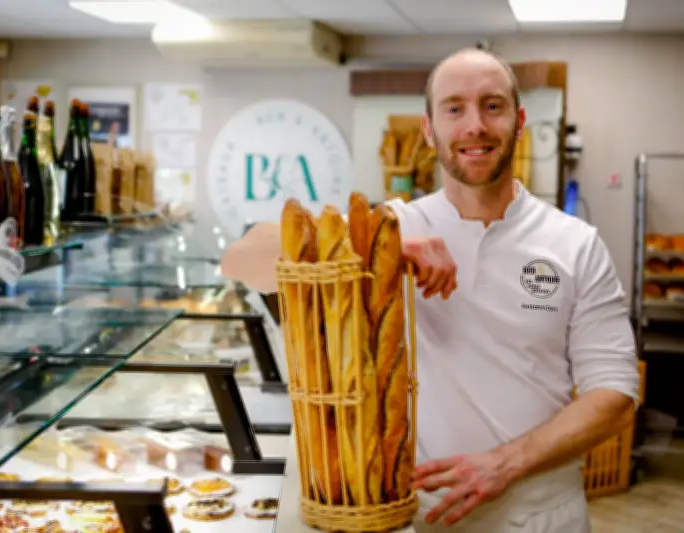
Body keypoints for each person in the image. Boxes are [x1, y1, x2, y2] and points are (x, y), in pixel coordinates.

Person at [221, 48, 639, 533]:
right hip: (419, 515)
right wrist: (388, 245)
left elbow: (615, 393)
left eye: (493, 106)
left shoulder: (575, 243)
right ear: (429, 129)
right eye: (454, 108)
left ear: (519, 121)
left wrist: (505, 463)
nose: (475, 125)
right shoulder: (393, 225)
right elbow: (241, 258)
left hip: (540, 512)